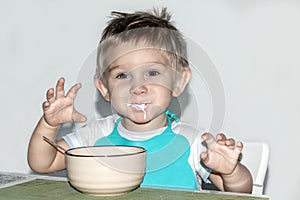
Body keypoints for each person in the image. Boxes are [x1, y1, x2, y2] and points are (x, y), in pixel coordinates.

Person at [28, 8, 253, 193]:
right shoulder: (94, 136)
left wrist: (231, 172)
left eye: (152, 73)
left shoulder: (194, 142)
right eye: (122, 75)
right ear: (104, 88)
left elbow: (240, 192)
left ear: (178, 81)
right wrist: (50, 125)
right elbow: (42, 163)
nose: (137, 87)